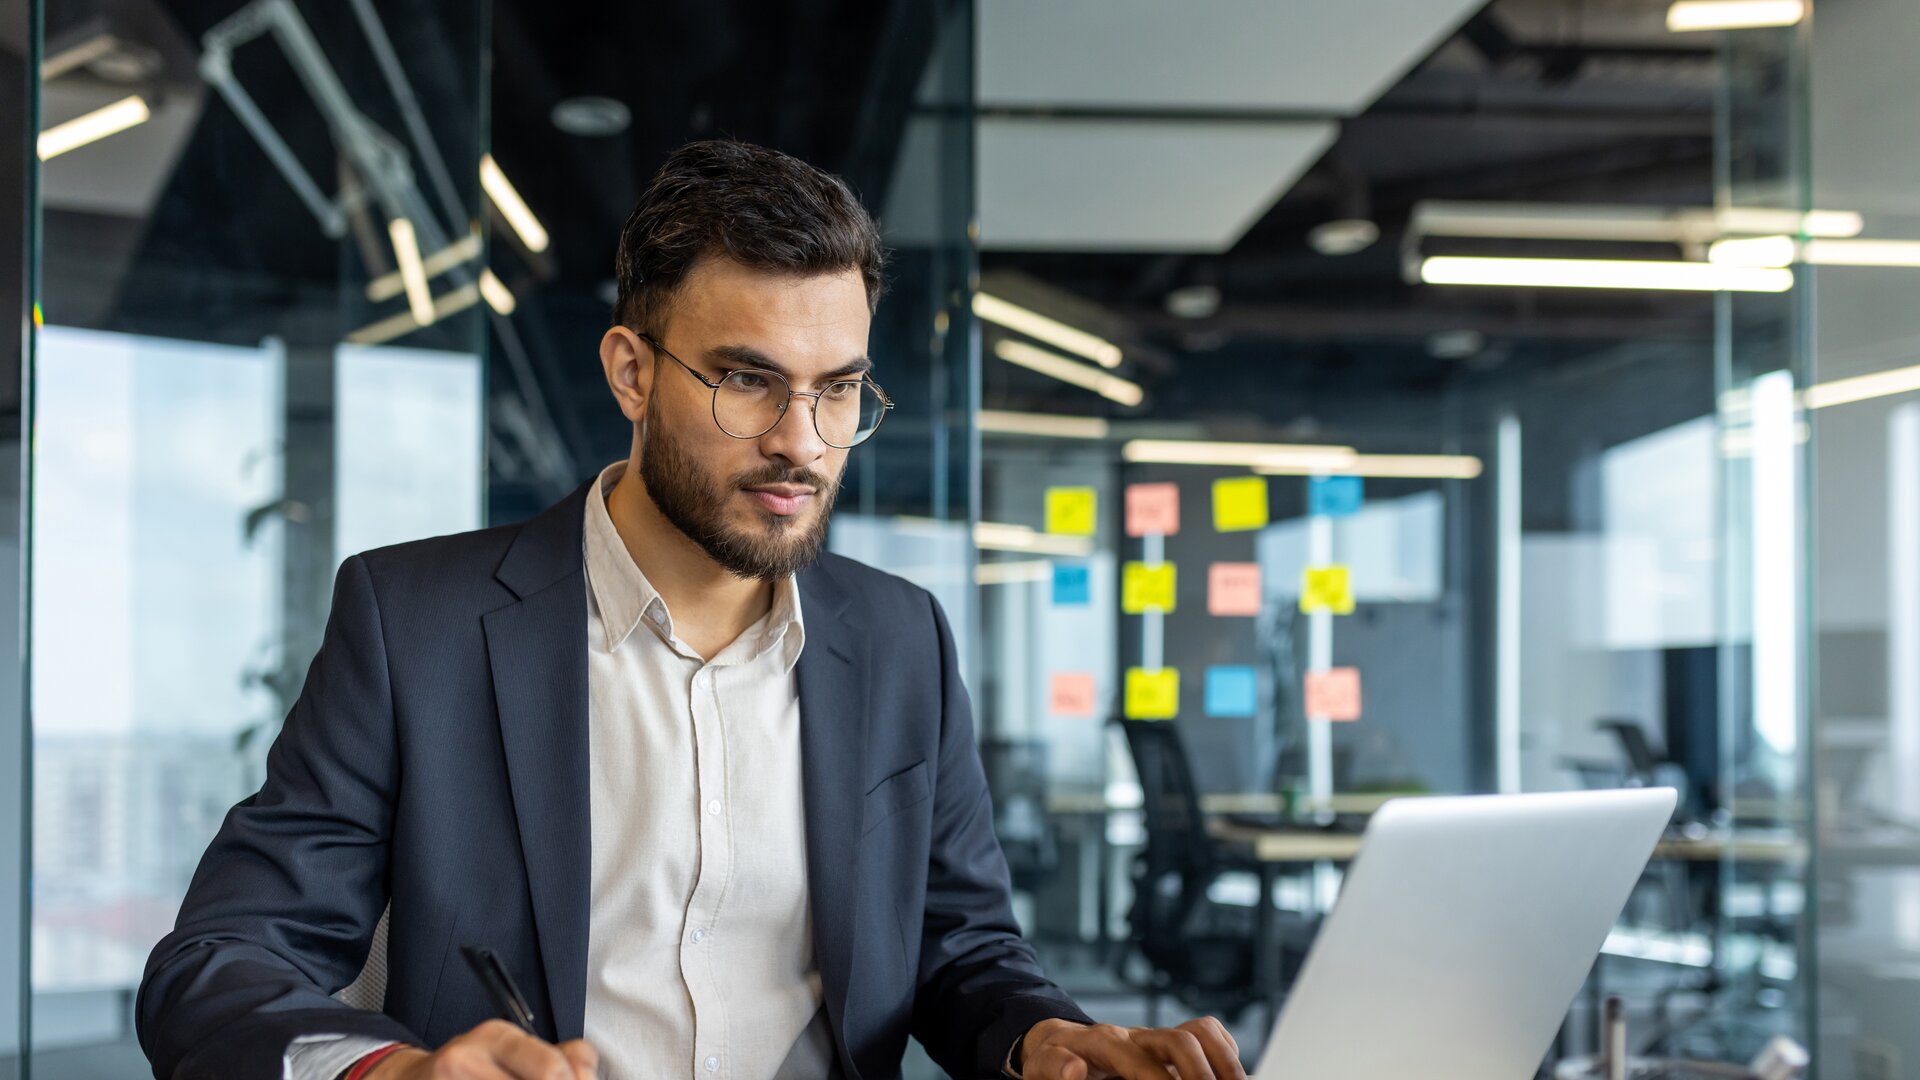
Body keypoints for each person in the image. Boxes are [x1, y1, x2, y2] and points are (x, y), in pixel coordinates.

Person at [137, 139, 1245, 1080]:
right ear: (631, 371)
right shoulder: (414, 622)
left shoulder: (901, 639)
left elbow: (957, 946)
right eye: (748, 380)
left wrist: (1043, 1040)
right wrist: (390, 1071)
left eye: (839, 388)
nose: (802, 444)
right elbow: (220, 963)